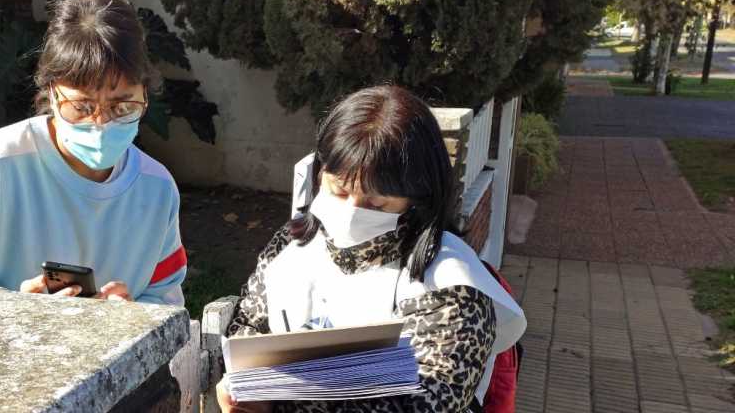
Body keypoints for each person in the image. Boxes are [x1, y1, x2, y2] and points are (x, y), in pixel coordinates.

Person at [217, 85, 526, 412]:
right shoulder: (293, 241)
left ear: (420, 198)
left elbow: (429, 402)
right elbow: (248, 324)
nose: (351, 212)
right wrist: (244, 387)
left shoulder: (451, 283)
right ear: (321, 172)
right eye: (338, 190)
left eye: (376, 205)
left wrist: (281, 404)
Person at [0, 0, 186, 306]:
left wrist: (132, 315)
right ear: (51, 93)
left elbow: (165, 300)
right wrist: (19, 310)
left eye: (122, 107)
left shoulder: (157, 188)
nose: (101, 124)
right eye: (81, 106)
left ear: (145, 96)